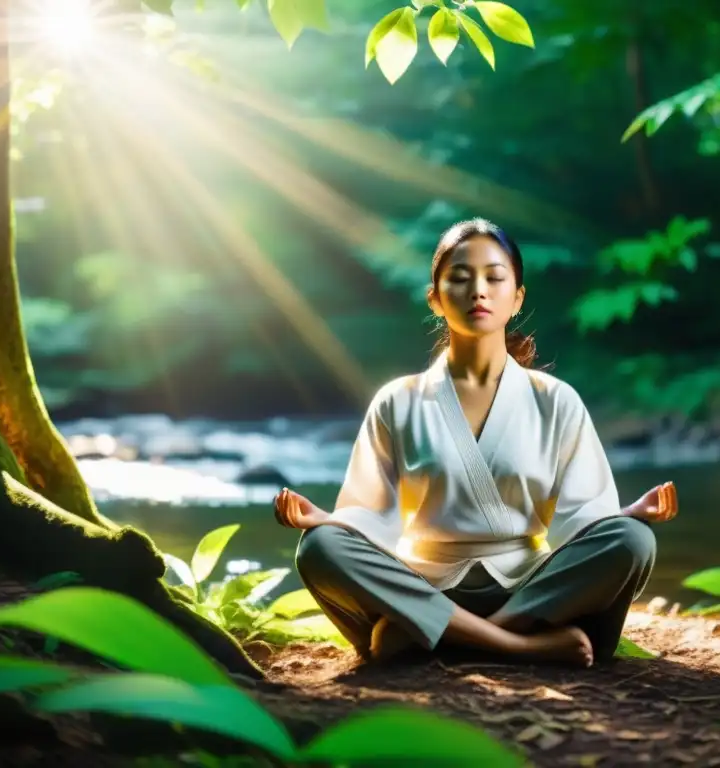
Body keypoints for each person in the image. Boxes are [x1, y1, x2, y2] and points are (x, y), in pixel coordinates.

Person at [274, 218, 678, 668]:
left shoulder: (555, 400)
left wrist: (623, 517)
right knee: (319, 548)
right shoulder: (398, 401)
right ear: (435, 298)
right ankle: (518, 646)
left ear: (518, 296)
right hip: (424, 583)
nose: (478, 291)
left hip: (528, 586)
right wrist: (330, 521)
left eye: (494, 277)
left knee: (633, 540)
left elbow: (582, 518)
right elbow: (370, 517)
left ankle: (439, 637)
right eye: (460, 278)